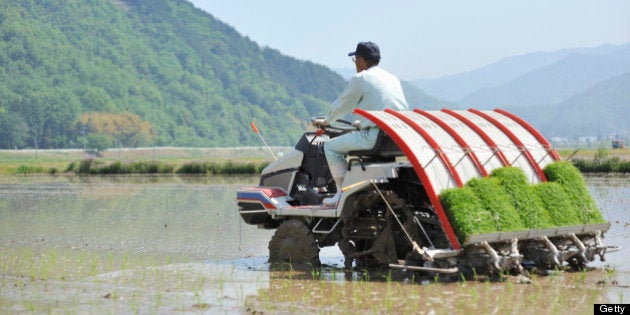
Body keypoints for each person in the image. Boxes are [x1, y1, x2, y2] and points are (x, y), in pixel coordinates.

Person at [318, 41, 409, 206]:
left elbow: (342, 105)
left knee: (330, 147)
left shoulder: (361, 78)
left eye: (355, 60)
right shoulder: (393, 78)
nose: (355, 65)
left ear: (360, 60)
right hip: (396, 137)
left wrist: (326, 121)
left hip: (375, 136)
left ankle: (341, 194)